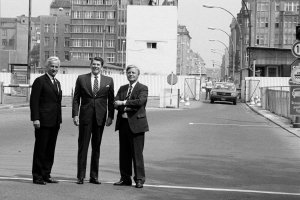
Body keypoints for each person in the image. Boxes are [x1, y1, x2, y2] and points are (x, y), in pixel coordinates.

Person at [72, 56, 114, 185]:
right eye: (93, 64)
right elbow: (76, 98)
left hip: (100, 118)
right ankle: (80, 176)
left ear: (102, 67)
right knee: (83, 146)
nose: (95, 66)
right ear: (90, 65)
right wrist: (75, 114)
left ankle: (94, 176)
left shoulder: (109, 80)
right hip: (85, 117)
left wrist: (110, 116)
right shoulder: (81, 79)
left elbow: (111, 100)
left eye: (98, 65)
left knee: (96, 147)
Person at [114, 65, 149, 189]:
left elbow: (140, 102)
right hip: (123, 125)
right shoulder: (122, 88)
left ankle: (139, 179)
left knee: (137, 154)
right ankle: (125, 178)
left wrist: (124, 103)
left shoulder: (143, 88)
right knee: (124, 153)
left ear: (138, 74)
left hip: (137, 126)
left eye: (133, 73)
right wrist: (128, 105)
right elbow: (115, 102)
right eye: (129, 73)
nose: (131, 75)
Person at [30, 56, 62, 185]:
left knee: (50, 149)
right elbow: (34, 101)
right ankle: (37, 176)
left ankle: (46, 174)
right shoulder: (40, 81)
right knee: (41, 149)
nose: (54, 69)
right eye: (52, 66)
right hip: (42, 121)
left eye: (56, 67)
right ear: (47, 67)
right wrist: (35, 118)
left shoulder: (57, 82)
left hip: (55, 122)